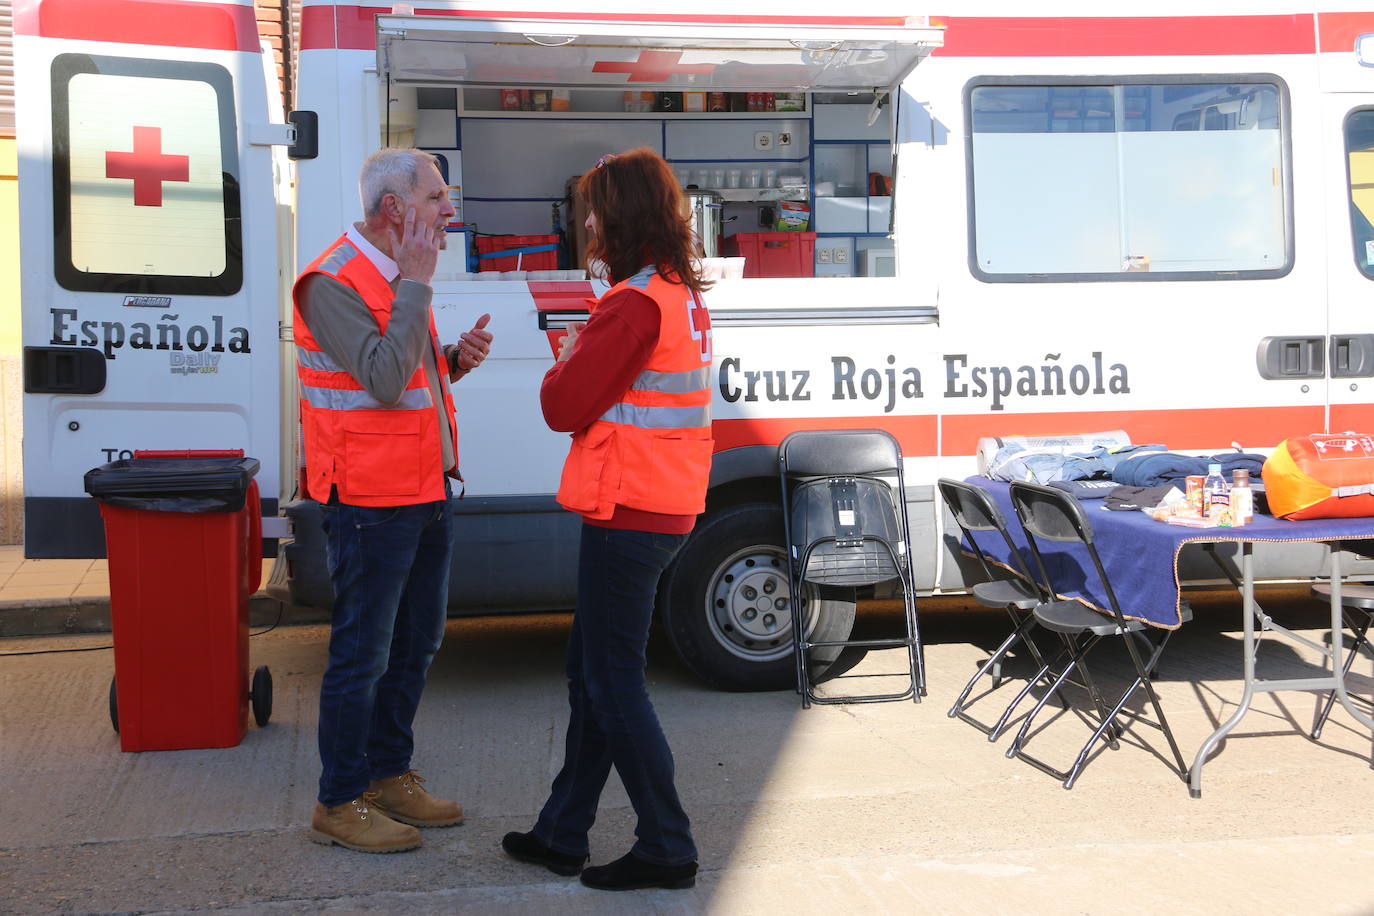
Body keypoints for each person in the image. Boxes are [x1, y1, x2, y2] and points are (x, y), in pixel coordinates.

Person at [501, 147, 713, 891]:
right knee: (592, 675)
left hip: (631, 506)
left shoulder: (631, 304)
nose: (587, 224)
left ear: (619, 216)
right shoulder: (675, 291)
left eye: (594, 210)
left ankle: (667, 845)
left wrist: (567, 356)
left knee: (612, 682)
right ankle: (562, 833)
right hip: (658, 501)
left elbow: (561, 406)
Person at [295, 148, 493, 854]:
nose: (449, 210)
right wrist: (416, 285)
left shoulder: (394, 276)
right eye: (437, 197)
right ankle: (339, 800)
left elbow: (403, 378)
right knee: (363, 655)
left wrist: (452, 363)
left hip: (424, 489)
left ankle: (387, 774)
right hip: (370, 501)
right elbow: (381, 381)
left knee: (416, 643)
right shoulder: (332, 281)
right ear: (393, 209)